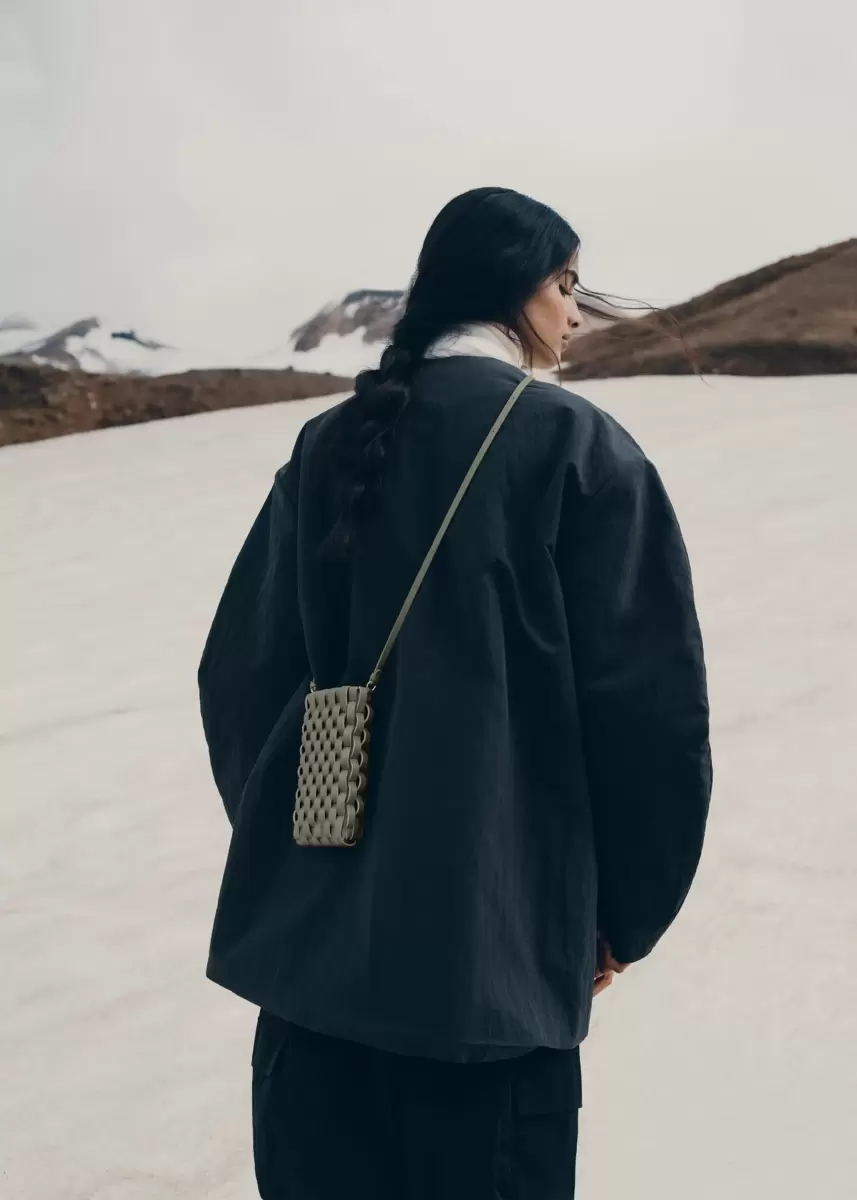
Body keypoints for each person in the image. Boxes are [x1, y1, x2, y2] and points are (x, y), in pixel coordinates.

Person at [198, 187, 712, 1199]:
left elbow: (240, 679)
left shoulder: (326, 445)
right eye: (565, 284)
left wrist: (301, 853)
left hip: (307, 1003)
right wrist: (612, 917)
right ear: (513, 288)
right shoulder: (575, 448)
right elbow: (652, 718)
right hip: (487, 999)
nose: (574, 312)